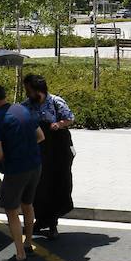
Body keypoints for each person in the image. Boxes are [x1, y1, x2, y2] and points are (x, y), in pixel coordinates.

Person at [0, 84, 45, 261]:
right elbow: (41, 136)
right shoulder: (23, 109)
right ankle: (28, 244)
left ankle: (20, 256)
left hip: (16, 170)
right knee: (28, 205)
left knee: (11, 210)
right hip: (35, 165)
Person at [21, 73, 75, 238]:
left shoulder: (55, 102)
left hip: (56, 152)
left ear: (39, 90)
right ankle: (39, 220)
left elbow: (69, 118)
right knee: (37, 187)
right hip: (37, 151)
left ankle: (52, 224)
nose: (27, 94)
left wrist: (58, 125)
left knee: (56, 186)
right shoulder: (26, 105)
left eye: (29, 90)